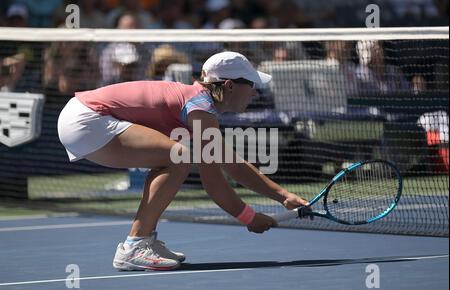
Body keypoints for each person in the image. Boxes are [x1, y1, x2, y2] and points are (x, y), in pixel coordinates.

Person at [57, 51, 310, 271]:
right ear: (230, 85)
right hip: (87, 119)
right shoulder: (200, 108)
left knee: (175, 157)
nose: (255, 92)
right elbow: (214, 183)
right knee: (179, 157)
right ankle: (135, 245)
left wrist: (282, 196)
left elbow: (228, 162)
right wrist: (248, 217)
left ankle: (143, 239)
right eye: (252, 84)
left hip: (82, 118)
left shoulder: (198, 104)